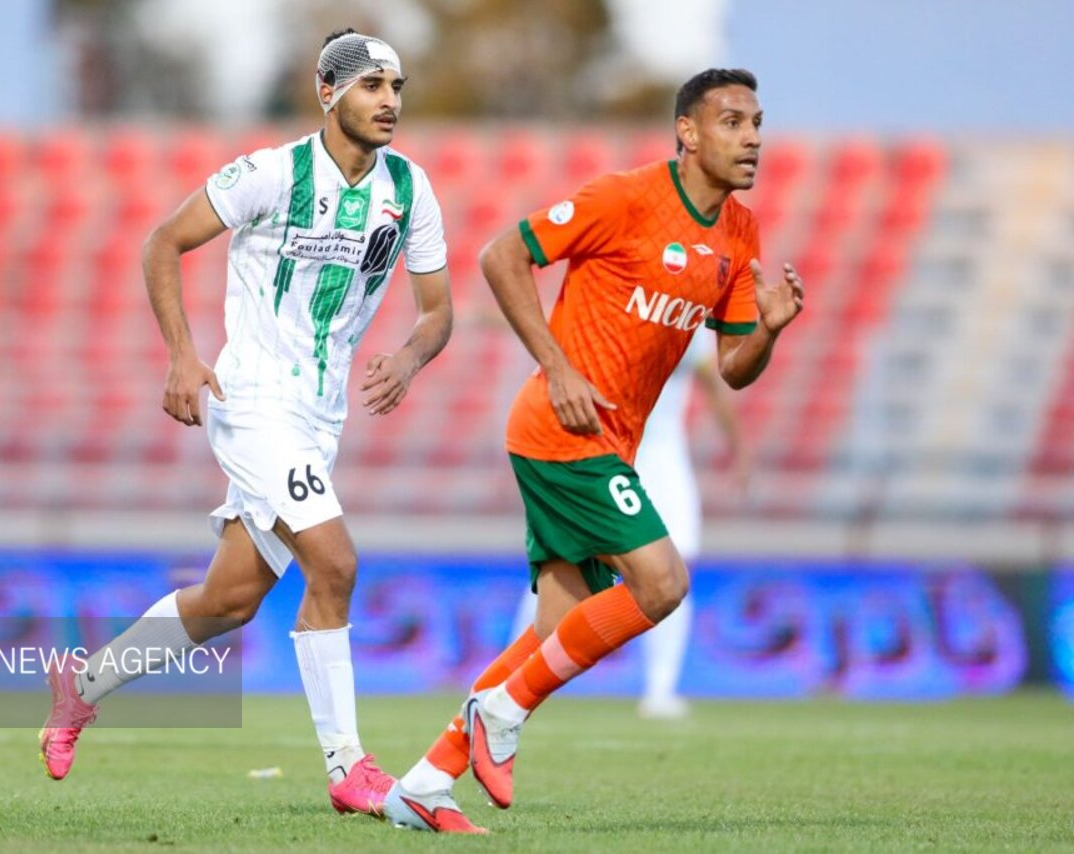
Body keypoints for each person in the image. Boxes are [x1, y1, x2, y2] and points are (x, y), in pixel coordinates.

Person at [39, 29, 453, 820]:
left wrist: (408, 357)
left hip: (320, 416)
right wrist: (182, 356)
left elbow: (438, 311)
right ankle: (349, 766)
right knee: (335, 564)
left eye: (397, 87)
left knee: (228, 600)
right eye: (371, 85)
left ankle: (80, 687)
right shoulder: (272, 173)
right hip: (256, 401)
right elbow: (164, 242)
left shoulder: (410, 189)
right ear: (328, 92)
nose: (389, 101)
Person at [384, 68, 803, 833]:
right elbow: (501, 255)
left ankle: (424, 783)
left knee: (554, 634)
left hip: (609, 444)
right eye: (733, 122)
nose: (752, 139)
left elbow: (734, 369)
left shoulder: (739, 233)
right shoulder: (626, 198)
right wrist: (556, 366)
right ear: (687, 132)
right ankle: (501, 712)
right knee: (662, 582)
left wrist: (768, 331)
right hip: (563, 430)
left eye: (757, 124)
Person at [509, 327, 749, 720]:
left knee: (675, 567)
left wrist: (738, 448)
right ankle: (517, 673)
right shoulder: (615, 308)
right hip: (602, 447)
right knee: (562, 561)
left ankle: (660, 689)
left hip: (661, 453)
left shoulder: (690, 318)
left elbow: (714, 380)